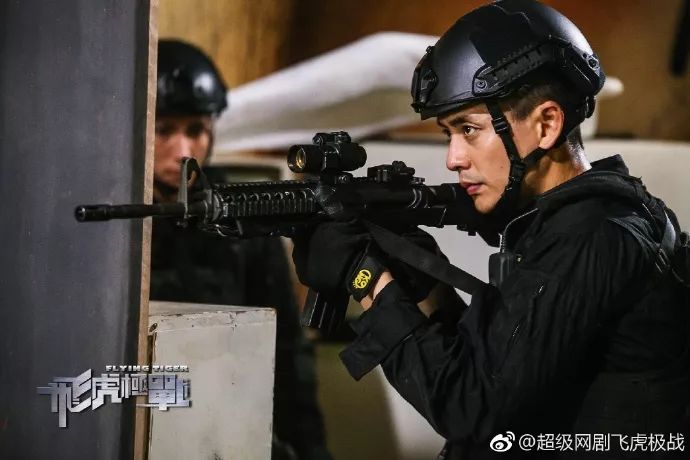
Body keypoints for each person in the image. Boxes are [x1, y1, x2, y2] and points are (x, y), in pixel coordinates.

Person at [291, 1, 690, 458]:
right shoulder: (583, 221)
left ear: (546, 124)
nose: (453, 158)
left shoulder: (590, 237)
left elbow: (473, 409)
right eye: (448, 133)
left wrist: (367, 279)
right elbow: (493, 365)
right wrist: (416, 273)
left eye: (469, 129)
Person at [151, 39, 331, 460]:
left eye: (195, 131)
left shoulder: (242, 216)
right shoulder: (113, 221)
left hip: (227, 421)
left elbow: (286, 349)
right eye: (164, 130)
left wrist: (310, 450)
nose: (183, 152)